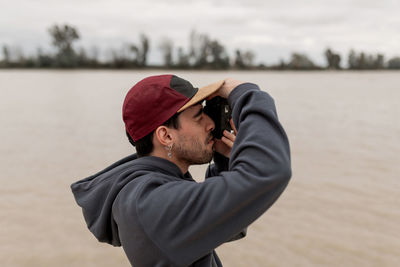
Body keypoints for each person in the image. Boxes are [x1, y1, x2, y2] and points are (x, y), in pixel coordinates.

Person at [71, 74, 291, 267]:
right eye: (198, 116)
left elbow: (231, 224)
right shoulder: (148, 204)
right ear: (166, 136)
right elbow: (268, 172)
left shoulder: (152, 187)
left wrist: (224, 159)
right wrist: (247, 95)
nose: (211, 124)